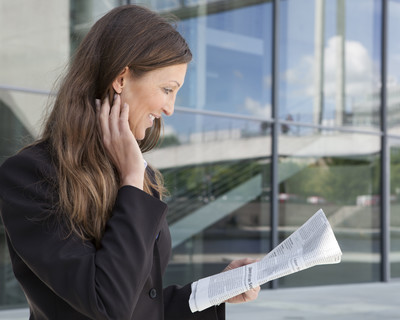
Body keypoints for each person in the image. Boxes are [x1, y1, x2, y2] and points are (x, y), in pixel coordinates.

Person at [0, 5, 259, 320]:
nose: (170, 109)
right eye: (167, 89)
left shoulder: (139, 178)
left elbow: (144, 302)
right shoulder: (30, 177)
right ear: (121, 78)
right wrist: (132, 177)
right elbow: (108, 303)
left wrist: (218, 288)